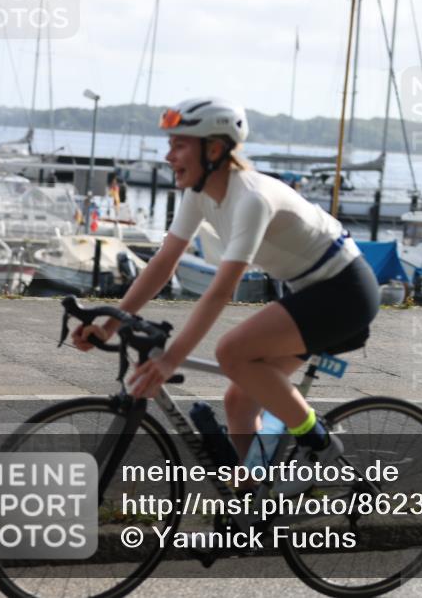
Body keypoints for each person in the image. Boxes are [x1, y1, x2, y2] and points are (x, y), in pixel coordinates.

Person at [72, 97, 380, 495]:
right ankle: (255, 500)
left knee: (232, 352)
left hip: (344, 291)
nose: (168, 156)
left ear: (214, 150)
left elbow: (221, 291)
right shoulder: (200, 192)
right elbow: (163, 263)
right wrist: (109, 325)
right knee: (239, 401)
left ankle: (317, 439)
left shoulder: (251, 199)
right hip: (307, 289)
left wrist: (170, 360)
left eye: (179, 145)